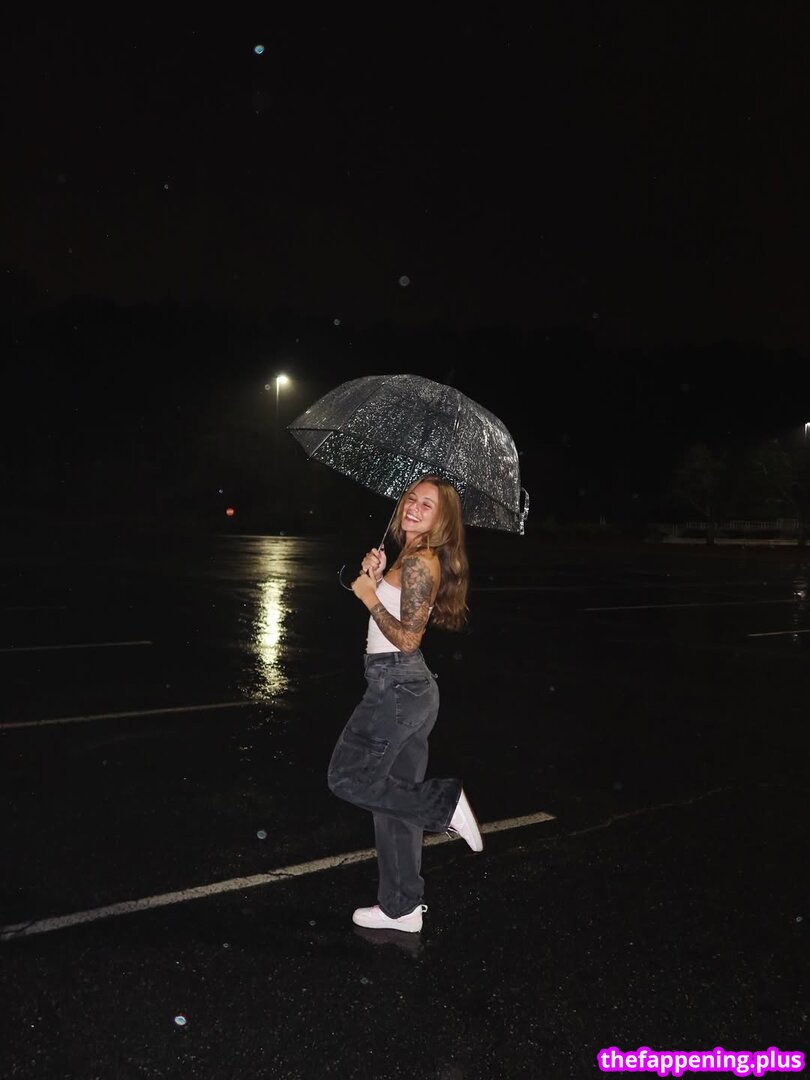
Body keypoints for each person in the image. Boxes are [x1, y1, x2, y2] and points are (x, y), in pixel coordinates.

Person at [327, 474, 483, 934]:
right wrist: (377, 578)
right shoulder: (410, 555)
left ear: (442, 521)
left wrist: (368, 596)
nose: (413, 506)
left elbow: (408, 638)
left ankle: (443, 805)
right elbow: (398, 616)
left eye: (427, 505)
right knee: (392, 801)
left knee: (346, 776)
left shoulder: (420, 562)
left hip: (396, 687)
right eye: (411, 497)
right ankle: (403, 907)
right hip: (405, 689)